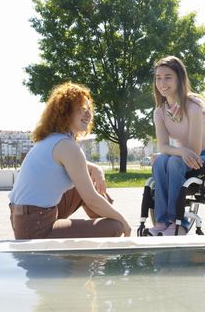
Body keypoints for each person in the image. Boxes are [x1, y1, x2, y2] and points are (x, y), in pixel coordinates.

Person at [9, 82, 131, 239]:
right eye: (81, 109)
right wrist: (124, 222)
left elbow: (78, 167)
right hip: (36, 227)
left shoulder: (52, 140)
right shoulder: (67, 146)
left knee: (87, 184)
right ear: (65, 112)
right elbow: (91, 199)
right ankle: (102, 229)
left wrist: (96, 169)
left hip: (24, 219)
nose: (88, 114)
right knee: (115, 226)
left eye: (89, 110)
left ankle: (102, 221)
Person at [149, 56, 205, 236]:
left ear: (179, 79)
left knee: (173, 162)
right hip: (183, 155)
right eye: (158, 78)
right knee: (160, 162)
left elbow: (195, 151)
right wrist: (179, 150)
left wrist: (179, 153)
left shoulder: (194, 106)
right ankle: (161, 221)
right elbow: (163, 146)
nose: (162, 82)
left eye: (168, 77)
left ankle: (179, 222)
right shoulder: (160, 111)